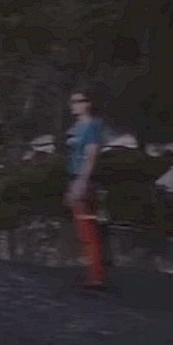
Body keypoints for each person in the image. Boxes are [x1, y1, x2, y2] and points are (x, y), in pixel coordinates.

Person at [66, 90, 109, 291]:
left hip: (86, 179)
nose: (73, 104)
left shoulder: (92, 126)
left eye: (78, 101)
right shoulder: (76, 127)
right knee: (83, 229)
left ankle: (97, 276)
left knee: (88, 227)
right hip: (75, 176)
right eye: (73, 101)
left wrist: (82, 181)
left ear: (88, 103)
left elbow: (91, 155)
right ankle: (94, 272)